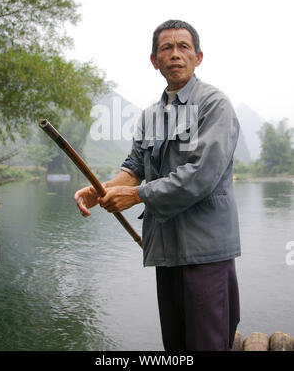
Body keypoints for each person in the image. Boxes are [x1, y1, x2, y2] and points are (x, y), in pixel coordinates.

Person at [74, 19, 241, 351]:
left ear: (199, 56)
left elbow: (201, 175)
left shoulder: (214, 105)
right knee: (176, 348)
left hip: (205, 253)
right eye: (166, 47)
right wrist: (101, 190)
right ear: (154, 60)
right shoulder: (151, 114)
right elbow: (134, 167)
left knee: (206, 344)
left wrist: (136, 196)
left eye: (183, 47)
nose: (175, 54)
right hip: (166, 251)